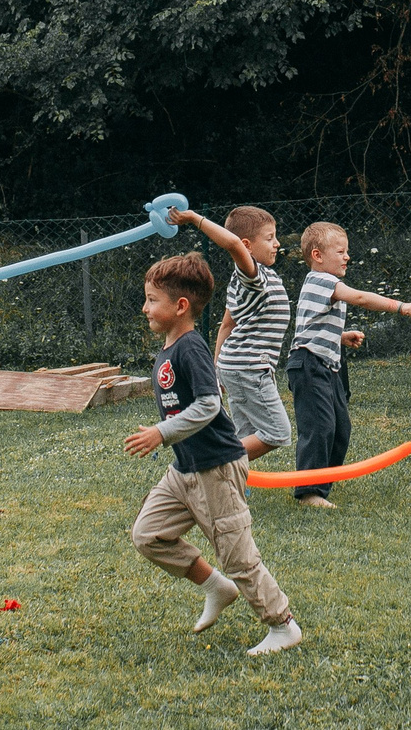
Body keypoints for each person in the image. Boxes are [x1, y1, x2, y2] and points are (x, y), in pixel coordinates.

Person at [125, 252, 305, 656]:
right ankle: (215, 586)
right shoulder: (171, 347)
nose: (146, 307)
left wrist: (161, 432)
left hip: (217, 469)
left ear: (181, 306)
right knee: (148, 535)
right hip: (184, 470)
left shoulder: (191, 348)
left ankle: (283, 625)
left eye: (153, 299)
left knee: (238, 556)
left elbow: (209, 404)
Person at [285, 221, 411, 509]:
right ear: (317, 256)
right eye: (341, 251)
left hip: (328, 364)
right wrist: (399, 306)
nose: (347, 256)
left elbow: (313, 324)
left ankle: (322, 483)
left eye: (347, 251)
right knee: (319, 427)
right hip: (309, 365)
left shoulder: (325, 285)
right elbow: (359, 297)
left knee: (340, 428)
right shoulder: (320, 280)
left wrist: (341, 336)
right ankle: (309, 492)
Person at [170, 205, 292, 461]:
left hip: (236, 367)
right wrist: (194, 218)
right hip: (249, 368)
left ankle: (228, 487)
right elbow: (233, 244)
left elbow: (227, 325)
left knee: (244, 433)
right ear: (247, 246)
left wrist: (216, 371)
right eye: (270, 238)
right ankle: (214, 463)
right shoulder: (252, 277)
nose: (277, 244)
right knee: (277, 432)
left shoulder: (252, 281)